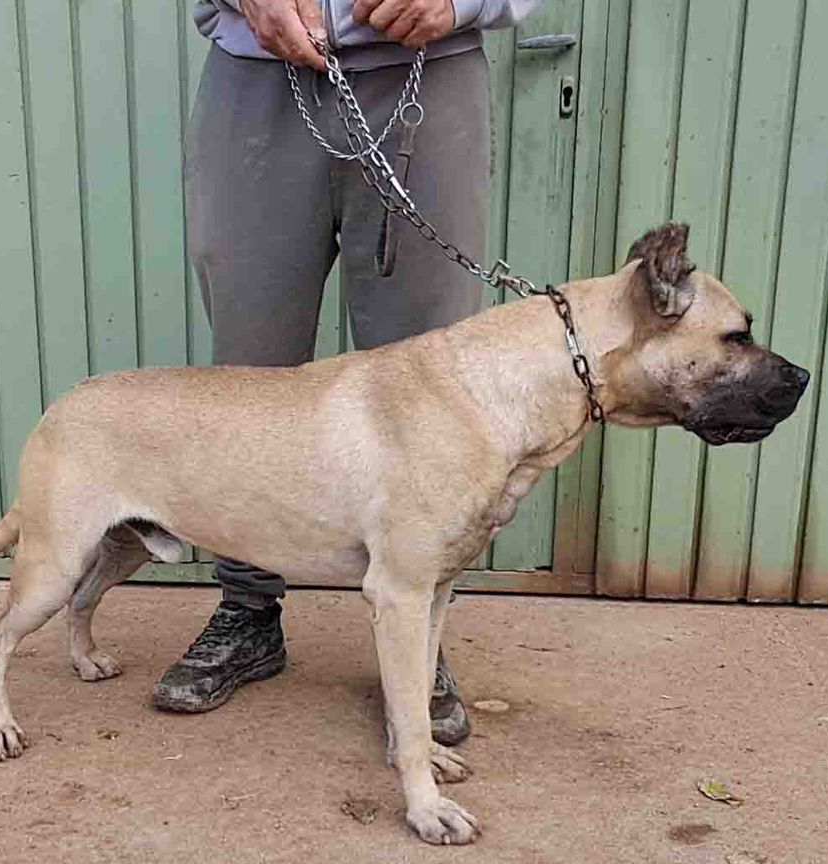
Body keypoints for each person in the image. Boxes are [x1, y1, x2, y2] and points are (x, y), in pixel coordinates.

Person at [156, 0, 542, 744]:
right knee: (249, 377)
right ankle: (247, 611)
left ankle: (419, 647)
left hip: (427, 76)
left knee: (431, 394)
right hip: (256, 78)